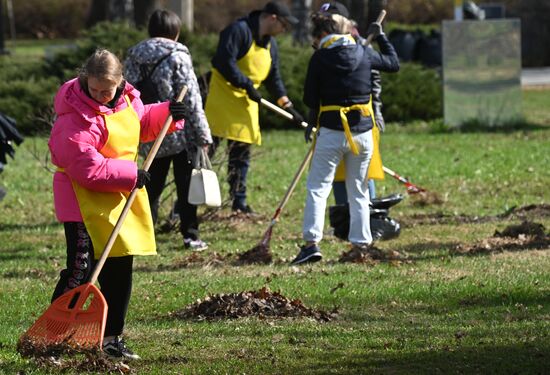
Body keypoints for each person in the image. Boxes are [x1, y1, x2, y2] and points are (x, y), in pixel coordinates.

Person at [48, 49, 186, 359]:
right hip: (81, 201)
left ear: (119, 82)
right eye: (94, 89)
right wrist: (131, 173)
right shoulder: (73, 114)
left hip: (117, 195)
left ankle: (111, 339)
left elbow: (138, 124)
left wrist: (167, 113)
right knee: (80, 269)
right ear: (85, 81)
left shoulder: (127, 99)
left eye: (106, 90)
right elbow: (85, 166)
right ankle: (52, 338)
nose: (99, 96)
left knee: (120, 266)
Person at [290, 11, 399, 265]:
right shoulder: (363, 52)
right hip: (362, 134)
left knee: (318, 188)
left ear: (322, 35)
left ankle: (311, 245)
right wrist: (381, 38)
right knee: (359, 191)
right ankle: (361, 246)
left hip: (331, 132)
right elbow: (393, 64)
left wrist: (313, 116)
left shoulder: (320, 58)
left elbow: (310, 97)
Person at [124, 9, 213, 251]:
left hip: (147, 127)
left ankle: (145, 234)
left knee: (150, 185)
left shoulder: (133, 55)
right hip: (178, 128)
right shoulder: (179, 55)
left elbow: (127, 93)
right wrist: (203, 134)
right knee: (186, 185)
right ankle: (190, 235)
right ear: (176, 31)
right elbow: (192, 97)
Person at [204, 0, 304, 214]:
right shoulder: (238, 31)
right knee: (205, 155)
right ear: (272, 18)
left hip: (246, 104)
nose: (284, 30)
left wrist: (288, 106)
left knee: (240, 157)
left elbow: (273, 78)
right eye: (284, 25)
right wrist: (246, 84)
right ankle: (185, 204)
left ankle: (239, 203)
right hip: (220, 100)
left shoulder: (271, 44)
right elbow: (223, 61)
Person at [319, 2, 385, 205]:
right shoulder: (323, 45)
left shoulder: (362, 45)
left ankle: (369, 213)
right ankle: (344, 215)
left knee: (363, 171)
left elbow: (374, 81)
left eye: (329, 21)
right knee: (337, 170)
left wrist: (377, 111)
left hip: (361, 117)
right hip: (331, 118)